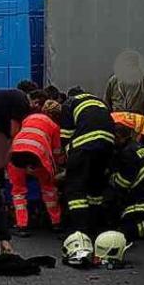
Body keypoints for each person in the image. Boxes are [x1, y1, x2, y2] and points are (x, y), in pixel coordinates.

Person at [54, 88, 116, 236]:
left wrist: (67, 165)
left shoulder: (69, 103)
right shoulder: (99, 102)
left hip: (85, 146)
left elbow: (66, 137)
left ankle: (79, 230)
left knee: (75, 189)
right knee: (95, 187)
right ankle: (95, 227)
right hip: (107, 145)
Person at [7, 98, 64, 234]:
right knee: (49, 189)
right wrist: (56, 167)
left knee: (18, 191)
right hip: (38, 156)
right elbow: (56, 151)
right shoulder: (55, 126)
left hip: (16, 153)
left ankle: (22, 225)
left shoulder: (29, 118)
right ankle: (56, 223)